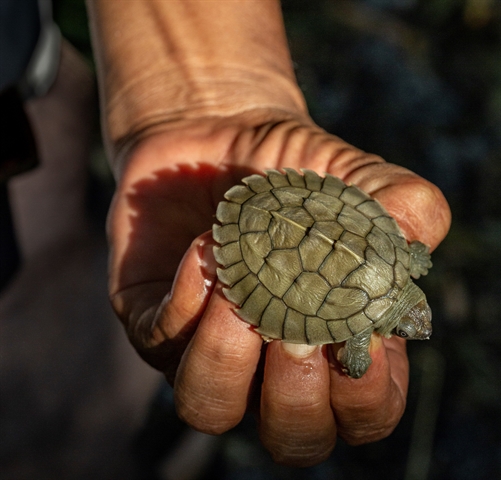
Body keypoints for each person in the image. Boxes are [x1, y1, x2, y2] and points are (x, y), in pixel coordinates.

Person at [86, 0, 451, 467]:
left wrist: (177, 107)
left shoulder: (397, 257)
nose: (413, 330)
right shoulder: (357, 329)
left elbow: (412, 248)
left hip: (283, 199)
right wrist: (355, 362)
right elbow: (356, 361)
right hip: (261, 238)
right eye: (409, 320)